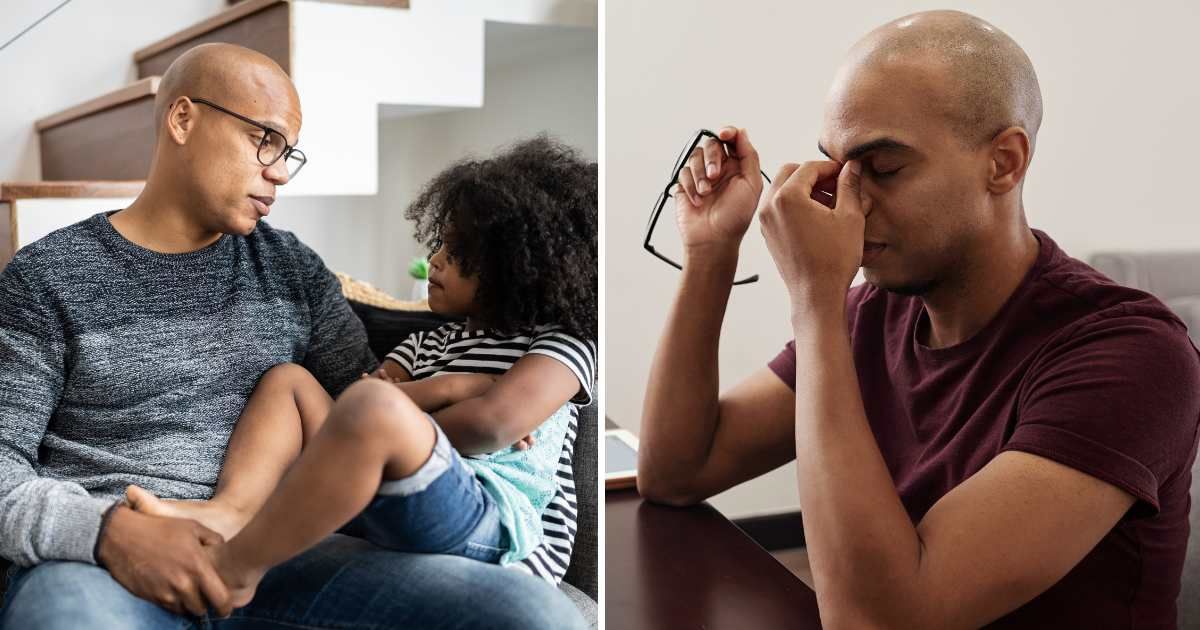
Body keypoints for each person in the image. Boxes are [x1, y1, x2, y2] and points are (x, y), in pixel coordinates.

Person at [637, 10, 1200, 628]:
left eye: (883, 168)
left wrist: (814, 300)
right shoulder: (873, 315)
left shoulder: (1133, 356)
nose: (846, 202)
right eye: (837, 166)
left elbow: (878, 620)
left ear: (1004, 163)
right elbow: (676, 470)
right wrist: (710, 254)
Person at [0, 43, 584, 629]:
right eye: (266, 140)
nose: (279, 171)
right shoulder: (47, 277)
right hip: (111, 559)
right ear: (183, 119)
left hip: (281, 553)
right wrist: (108, 534)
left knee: (532, 614)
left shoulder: (291, 271)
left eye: (288, 154)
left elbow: (357, 412)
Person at [123, 137, 599, 607]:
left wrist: (392, 422)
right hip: (392, 494)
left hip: (494, 522)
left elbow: (490, 426)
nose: (435, 261)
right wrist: (448, 387)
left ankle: (233, 571)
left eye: (458, 254)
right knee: (288, 380)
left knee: (375, 411)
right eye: (440, 246)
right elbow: (361, 402)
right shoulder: (428, 343)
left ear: (520, 267)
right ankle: (230, 510)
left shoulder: (559, 343)